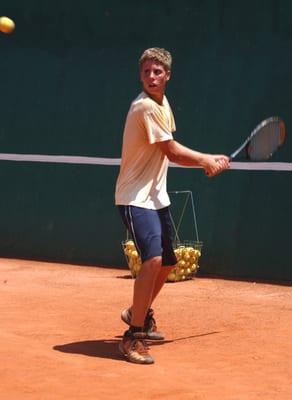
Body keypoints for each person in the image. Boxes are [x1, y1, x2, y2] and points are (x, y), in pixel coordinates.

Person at [115, 47, 229, 364]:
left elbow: (171, 147)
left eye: (157, 72)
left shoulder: (162, 104)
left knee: (167, 262)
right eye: (146, 72)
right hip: (134, 198)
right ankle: (132, 336)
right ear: (141, 75)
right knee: (151, 260)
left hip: (156, 197)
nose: (152, 77)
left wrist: (207, 160)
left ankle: (138, 312)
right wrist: (206, 160)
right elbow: (173, 153)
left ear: (167, 75)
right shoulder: (144, 108)